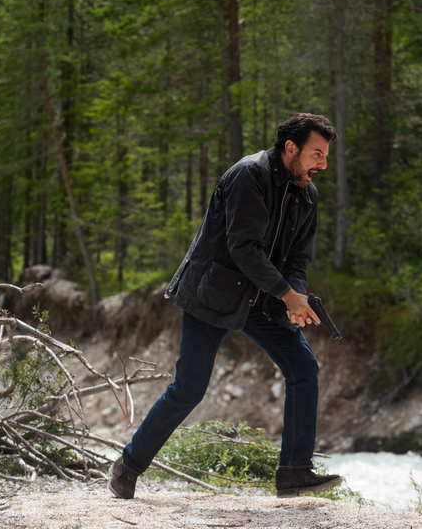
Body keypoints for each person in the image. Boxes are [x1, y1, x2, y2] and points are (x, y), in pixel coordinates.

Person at [110, 113, 342, 500]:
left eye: (326, 156)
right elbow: (243, 247)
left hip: (262, 298)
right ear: (290, 148)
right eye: (316, 154)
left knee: (303, 367)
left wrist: (295, 299)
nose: (322, 164)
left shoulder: (307, 194)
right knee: (190, 388)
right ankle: (128, 466)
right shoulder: (247, 175)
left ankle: (294, 473)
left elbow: (298, 260)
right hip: (212, 293)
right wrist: (287, 294)